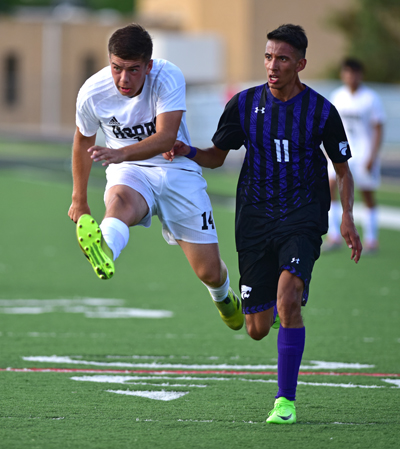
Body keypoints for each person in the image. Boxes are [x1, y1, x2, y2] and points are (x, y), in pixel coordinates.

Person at [166, 24, 362, 424]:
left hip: (302, 218)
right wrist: (186, 151)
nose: (273, 65)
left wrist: (347, 217)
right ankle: (264, 309)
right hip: (254, 220)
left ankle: (285, 402)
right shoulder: (243, 105)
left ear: (301, 64)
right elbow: (217, 156)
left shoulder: (322, 111)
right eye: (269, 57)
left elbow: (343, 171)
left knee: (289, 297)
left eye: (283, 58)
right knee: (255, 329)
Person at [67, 23, 243, 332]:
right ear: (109, 61)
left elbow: (165, 138)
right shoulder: (92, 92)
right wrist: (79, 201)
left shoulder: (167, 75)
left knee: (209, 272)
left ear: (148, 65)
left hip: (176, 170)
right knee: (119, 201)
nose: (123, 78)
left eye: (133, 70)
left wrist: (120, 153)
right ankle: (106, 247)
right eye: (117, 68)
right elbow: (83, 140)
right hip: (129, 169)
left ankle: (223, 297)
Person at [324, 58, 385, 253]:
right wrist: (327, 151)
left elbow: (378, 128)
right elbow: (329, 126)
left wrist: (372, 156)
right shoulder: (338, 96)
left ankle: (371, 239)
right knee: (330, 189)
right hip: (341, 154)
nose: (351, 76)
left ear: (361, 74)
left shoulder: (370, 98)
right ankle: (334, 236)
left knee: (367, 195)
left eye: (354, 72)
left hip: (364, 154)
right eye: (347, 72)